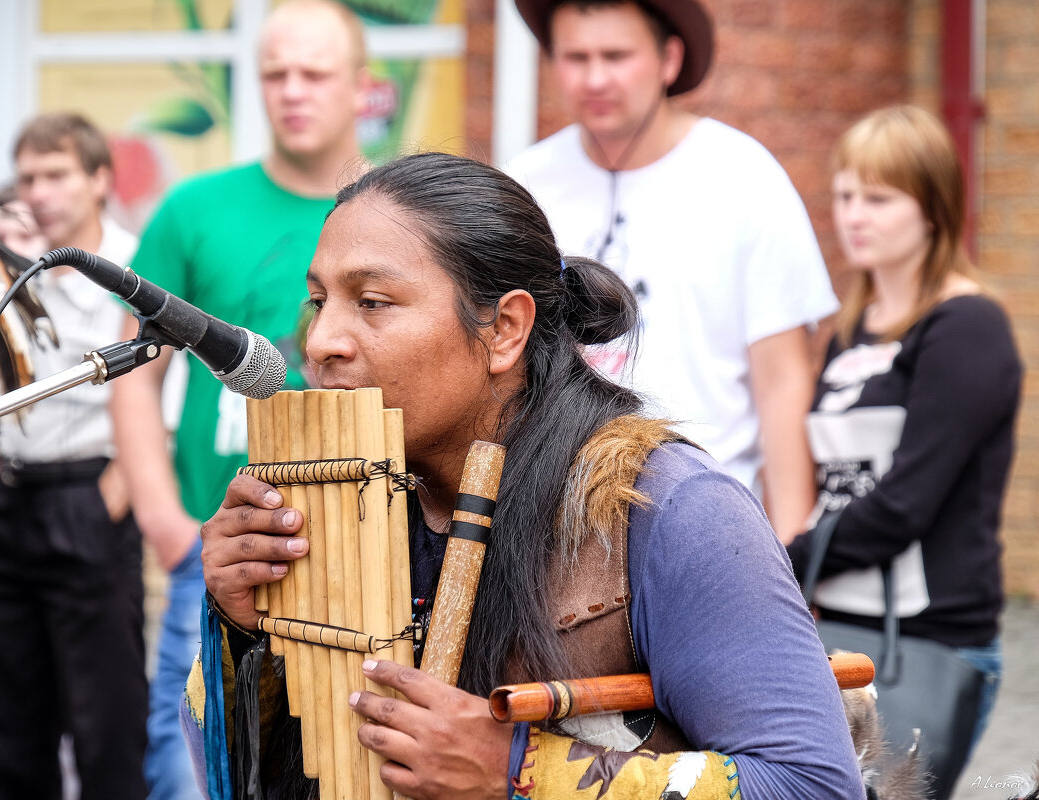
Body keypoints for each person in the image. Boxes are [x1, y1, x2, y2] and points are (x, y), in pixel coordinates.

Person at [191, 152, 863, 800]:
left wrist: (515, 771)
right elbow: (229, 774)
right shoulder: (335, 511)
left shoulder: (670, 509)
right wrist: (241, 631)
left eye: (371, 301)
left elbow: (814, 785)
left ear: (506, 328)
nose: (320, 341)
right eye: (318, 300)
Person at [108, 2, 370, 797]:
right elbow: (132, 369)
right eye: (275, 73)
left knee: (344, 760)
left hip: (369, 545)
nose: (293, 91)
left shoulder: (401, 215)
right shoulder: (194, 210)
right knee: (190, 762)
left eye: (315, 73)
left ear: (362, 88)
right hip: (218, 544)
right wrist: (163, 517)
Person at [505, 0, 836, 539]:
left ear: (669, 58)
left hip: (706, 520)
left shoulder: (744, 177)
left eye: (616, 55)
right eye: (575, 56)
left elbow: (782, 379)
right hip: (554, 524)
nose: (595, 77)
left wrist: (792, 549)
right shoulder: (526, 182)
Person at [783, 106, 1022, 777]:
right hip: (840, 628)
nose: (855, 214)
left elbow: (905, 505)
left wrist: (777, 565)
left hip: (928, 639)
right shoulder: (851, 330)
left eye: (880, 199)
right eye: (846, 195)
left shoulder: (966, 327)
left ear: (934, 210)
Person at [0, 112, 148, 800]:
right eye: (29, 178)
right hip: (9, 499)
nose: (39, 192)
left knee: (105, 722)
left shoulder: (136, 267)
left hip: (91, 494)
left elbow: (162, 384)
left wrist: (121, 488)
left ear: (99, 179)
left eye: (57, 175)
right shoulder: (7, 268)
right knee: (9, 724)